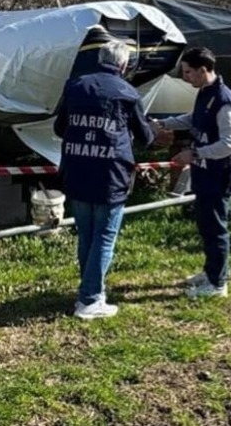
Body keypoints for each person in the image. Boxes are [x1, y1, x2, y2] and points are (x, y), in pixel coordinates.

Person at [53, 38, 155, 319]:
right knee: (105, 236)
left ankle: (89, 291)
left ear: (100, 59)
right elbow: (146, 137)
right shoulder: (128, 93)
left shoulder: (74, 86)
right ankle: (89, 299)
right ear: (124, 64)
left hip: (77, 169)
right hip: (111, 175)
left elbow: (59, 128)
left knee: (86, 234)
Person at [151, 46, 231, 298]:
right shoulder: (205, 93)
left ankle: (218, 284)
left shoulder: (223, 101)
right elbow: (194, 119)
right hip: (204, 173)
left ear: (204, 70)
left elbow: (228, 144)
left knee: (216, 228)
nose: (185, 77)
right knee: (205, 225)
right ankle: (211, 271)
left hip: (218, 173)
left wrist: (195, 154)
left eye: (188, 72)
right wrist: (164, 123)